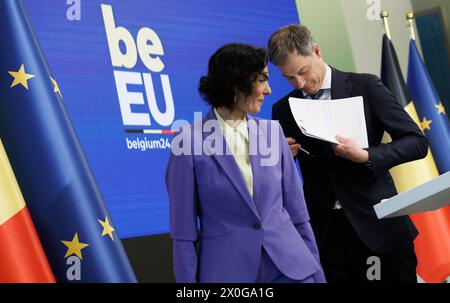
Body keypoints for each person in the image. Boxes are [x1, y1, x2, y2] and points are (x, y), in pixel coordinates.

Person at [268, 24, 428, 283]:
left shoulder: (366, 86)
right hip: (327, 236)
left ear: (317, 51)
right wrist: (285, 158)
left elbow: (417, 142)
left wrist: (366, 156)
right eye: (289, 78)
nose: (300, 83)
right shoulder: (283, 109)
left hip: (380, 228)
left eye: (303, 72)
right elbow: (284, 178)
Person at [165, 43, 325, 283]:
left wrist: (316, 271)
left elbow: (298, 214)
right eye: (261, 79)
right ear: (235, 83)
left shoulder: (273, 133)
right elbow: (184, 234)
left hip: (293, 270)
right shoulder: (187, 142)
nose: (268, 90)